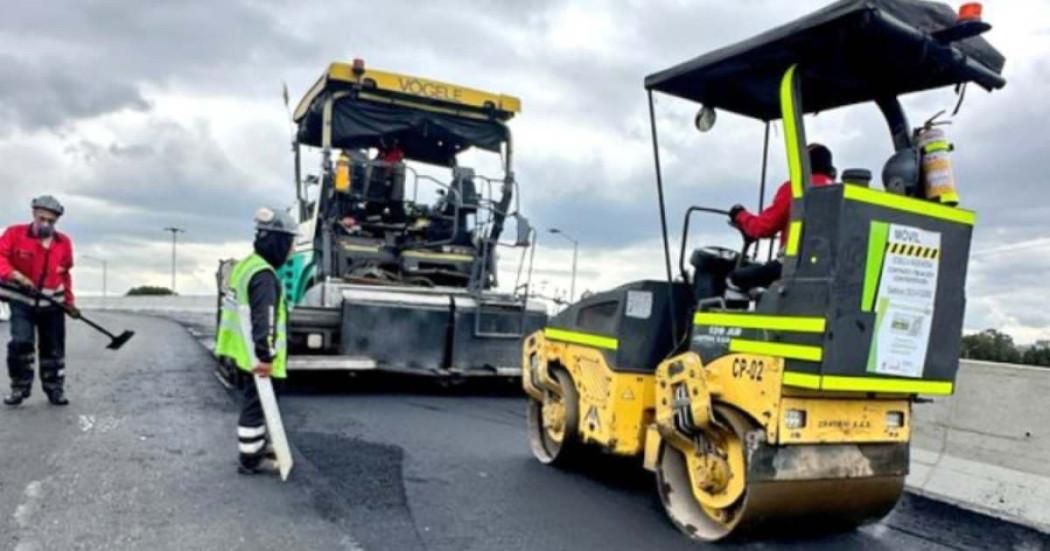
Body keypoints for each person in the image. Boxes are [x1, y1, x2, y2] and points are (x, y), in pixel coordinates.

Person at [215, 207, 297, 475]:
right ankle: (250, 459)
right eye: (290, 244)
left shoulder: (246, 266)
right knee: (256, 406)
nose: (292, 251)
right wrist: (266, 356)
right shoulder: (264, 276)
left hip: (241, 353)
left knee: (254, 402)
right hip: (256, 357)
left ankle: (257, 446)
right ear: (278, 243)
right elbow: (266, 319)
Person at [0, 196, 78, 406]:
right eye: (42, 218)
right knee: (21, 343)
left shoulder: (64, 243)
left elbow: (65, 273)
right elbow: (0, 258)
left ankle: (55, 389)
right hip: (22, 302)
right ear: (33, 214)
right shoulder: (14, 234)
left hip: (52, 304)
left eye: (51, 221)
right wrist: (15, 275)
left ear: (56, 222)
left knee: (53, 347)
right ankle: (19, 387)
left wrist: (69, 302)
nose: (46, 224)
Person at [727, 144, 836, 291]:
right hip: (827, 270)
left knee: (734, 278)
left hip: (792, 266)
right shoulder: (838, 192)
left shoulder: (797, 188)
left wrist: (739, 215)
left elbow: (763, 228)